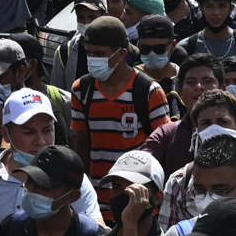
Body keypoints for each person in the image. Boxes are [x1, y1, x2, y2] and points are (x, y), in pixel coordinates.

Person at [72, 16, 169, 180]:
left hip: (136, 191)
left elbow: (164, 144)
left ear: (121, 54)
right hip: (97, 192)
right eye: (89, 52)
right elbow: (82, 142)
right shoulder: (81, 89)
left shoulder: (149, 91)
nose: (93, 58)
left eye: (99, 53)